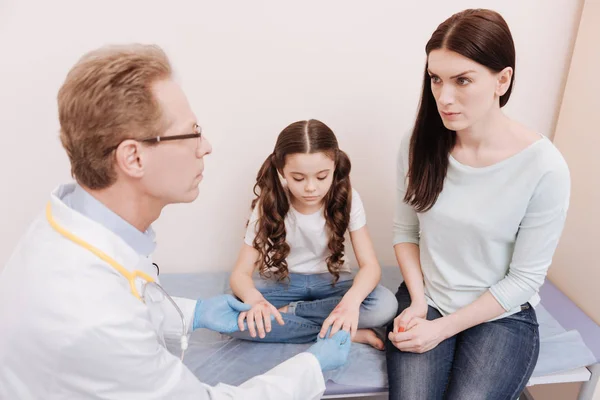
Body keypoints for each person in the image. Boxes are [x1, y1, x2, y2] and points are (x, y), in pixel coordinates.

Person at [0, 44, 350, 400]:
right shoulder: (92, 312)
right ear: (134, 157)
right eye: (191, 132)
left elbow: (131, 301)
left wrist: (194, 313)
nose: (206, 146)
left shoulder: (71, 224)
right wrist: (311, 366)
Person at [385, 9, 571, 400]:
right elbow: (405, 232)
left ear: (502, 80)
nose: (444, 97)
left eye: (462, 80)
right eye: (436, 79)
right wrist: (419, 303)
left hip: (500, 315)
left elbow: (524, 280)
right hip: (428, 297)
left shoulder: (545, 168)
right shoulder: (418, 144)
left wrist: (443, 328)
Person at [228, 119, 397, 350]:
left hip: (333, 282)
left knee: (384, 305)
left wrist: (350, 303)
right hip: (284, 283)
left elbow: (370, 266)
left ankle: (291, 316)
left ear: (335, 167)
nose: (310, 188)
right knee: (228, 318)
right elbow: (240, 274)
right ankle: (345, 332)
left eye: (321, 177)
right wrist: (256, 302)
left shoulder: (348, 198)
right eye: (298, 178)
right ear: (281, 171)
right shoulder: (268, 204)